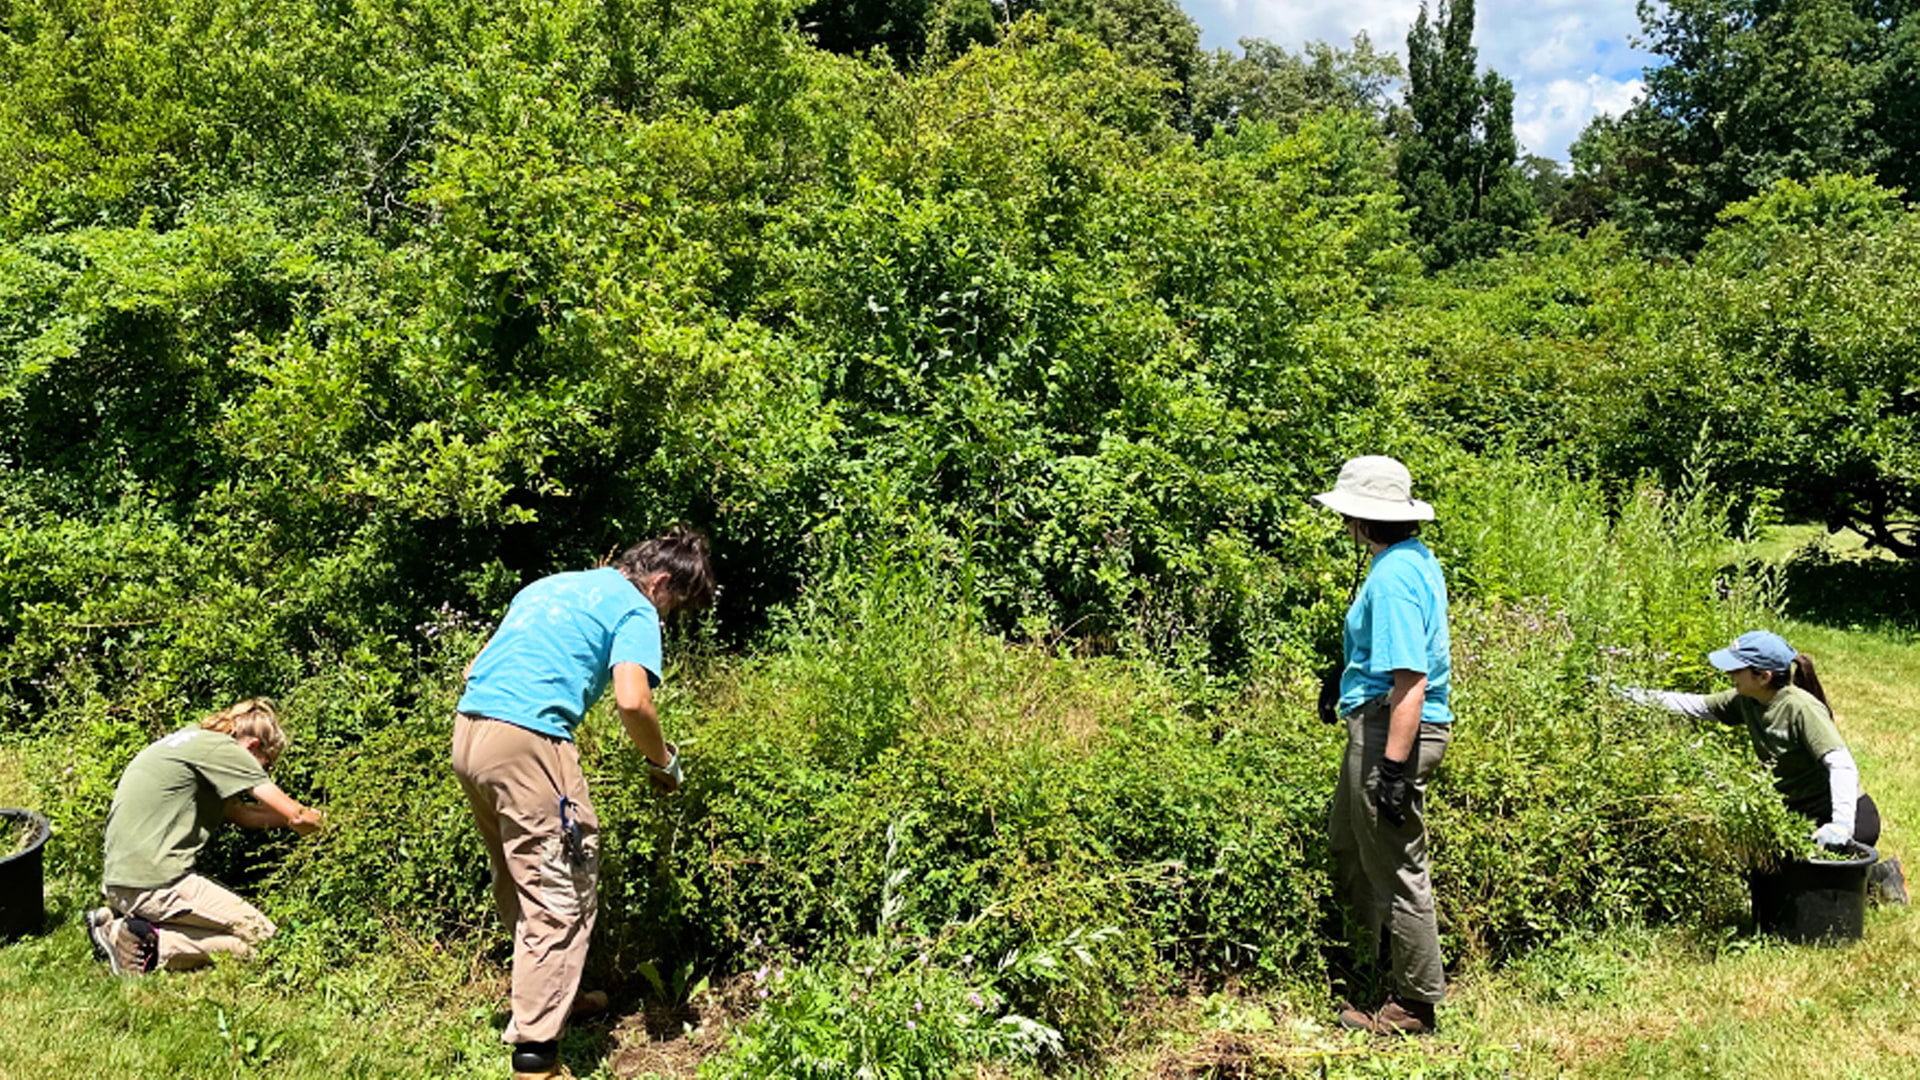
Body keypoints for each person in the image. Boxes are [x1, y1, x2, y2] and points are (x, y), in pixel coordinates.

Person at [452, 525, 715, 1080]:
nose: (668, 620)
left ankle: (550, 1000)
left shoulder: (552, 585)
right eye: (675, 607)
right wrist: (662, 762)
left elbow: (476, 665)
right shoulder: (635, 610)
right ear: (661, 581)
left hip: (470, 732)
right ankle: (536, 1061)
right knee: (560, 891)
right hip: (529, 741)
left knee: (520, 877)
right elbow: (632, 701)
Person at [1313, 455, 1453, 1037]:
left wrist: (1394, 770)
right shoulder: (1412, 560)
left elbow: (1410, 680)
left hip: (1390, 731)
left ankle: (1414, 1005)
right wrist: (1343, 675)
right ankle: (1360, 964)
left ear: (1361, 519)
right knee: (1348, 844)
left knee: (1397, 866)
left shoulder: (1394, 576)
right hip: (1378, 720)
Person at [1616, 630, 1903, 899]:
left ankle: (1877, 877)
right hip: (1796, 815)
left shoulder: (1799, 707)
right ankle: (1866, 878)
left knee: (1808, 891)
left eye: (1736, 669)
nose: (1729, 674)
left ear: (1763, 676)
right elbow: (1698, 706)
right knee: (1772, 878)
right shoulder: (1747, 700)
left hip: (1845, 818)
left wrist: (1840, 825)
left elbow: (1841, 765)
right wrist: (1629, 694)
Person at [87, 698, 324, 976]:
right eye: (267, 766)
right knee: (266, 940)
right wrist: (327, 822)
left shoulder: (192, 740)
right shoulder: (227, 750)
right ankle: (139, 940)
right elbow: (297, 816)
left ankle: (120, 920)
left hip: (122, 880)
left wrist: (297, 819)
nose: (265, 772)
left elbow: (243, 815)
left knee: (251, 938)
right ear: (254, 747)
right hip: (157, 882)